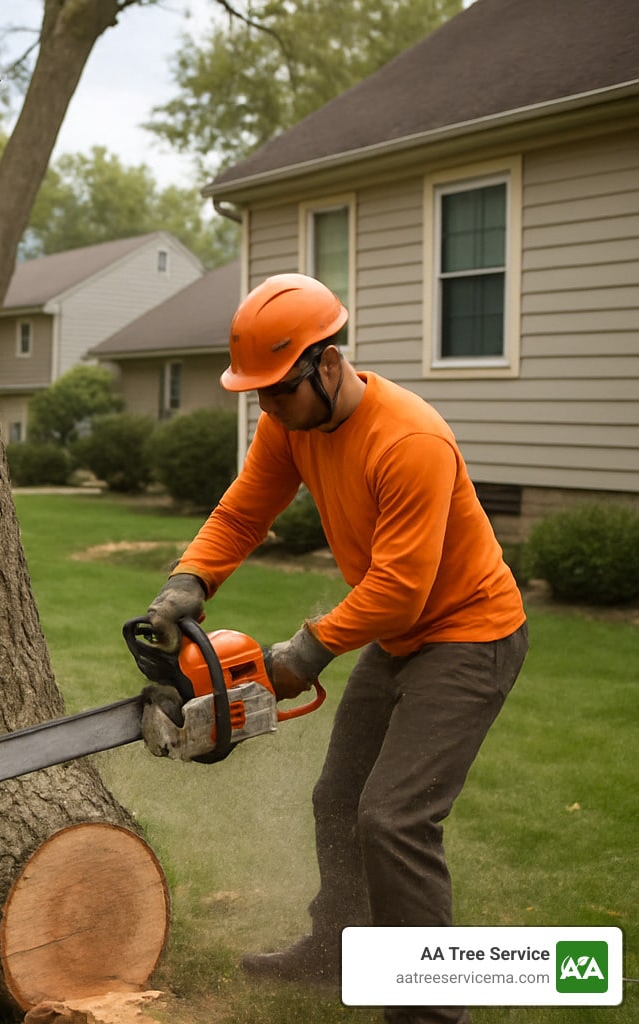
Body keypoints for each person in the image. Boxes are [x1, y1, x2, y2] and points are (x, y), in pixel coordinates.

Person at [142, 274, 527, 1024]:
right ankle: (337, 952)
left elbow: (400, 589)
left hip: (470, 635)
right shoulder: (292, 423)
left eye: (276, 392)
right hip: (402, 637)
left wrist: (303, 654)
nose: (265, 408)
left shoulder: (408, 439)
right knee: (338, 800)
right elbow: (245, 509)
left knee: (393, 818)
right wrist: (191, 579)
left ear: (326, 365)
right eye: (255, 395)